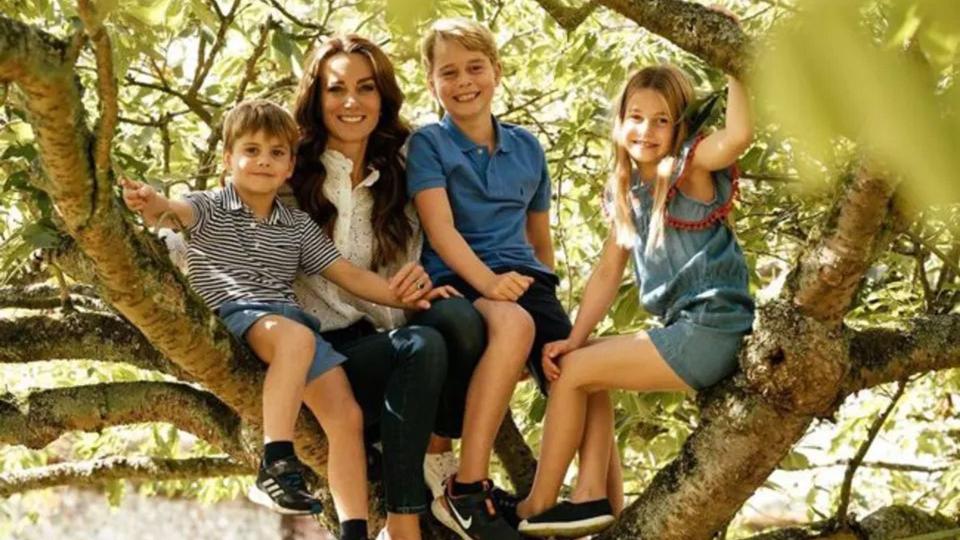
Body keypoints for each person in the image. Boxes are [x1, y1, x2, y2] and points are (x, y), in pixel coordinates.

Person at [122, 99, 445, 540]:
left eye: (276, 153)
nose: (263, 161)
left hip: (290, 328)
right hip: (240, 316)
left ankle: (354, 531)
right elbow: (172, 211)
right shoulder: (211, 206)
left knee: (346, 416)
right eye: (251, 150)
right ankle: (276, 458)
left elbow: (347, 274)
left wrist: (399, 293)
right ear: (228, 159)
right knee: (297, 338)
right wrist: (148, 200)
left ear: (291, 166)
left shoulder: (295, 225)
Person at [514, 56, 755, 538]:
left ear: (679, 125)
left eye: (661, 120)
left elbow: (738, 138)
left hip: (711, 329)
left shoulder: (689, 168)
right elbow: (607, 272)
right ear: (620, 123)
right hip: (682, 329)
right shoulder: (628, 189)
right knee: (581, 363)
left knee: (578, 374)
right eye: (636, 117)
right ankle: (595, 502)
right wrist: (574, 338)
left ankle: (537, 503)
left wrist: (735, 64)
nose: (646, 130)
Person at [406, 18, 622, 540]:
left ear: (497, 72)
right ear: (431, 82)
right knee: (513, 325)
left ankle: (594, 498)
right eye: (448, 72)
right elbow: (441, 230)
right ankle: (467, 487)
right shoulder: (429, 144)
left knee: (582, 364)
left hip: (528, 282)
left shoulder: (527, 147)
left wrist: (546, 295)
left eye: (475, 68)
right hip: (459, 281)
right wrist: (490, 283)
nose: (464, 82)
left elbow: (538, 239)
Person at [286, 34, 488, 540]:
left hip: (404, 342)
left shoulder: (404, 165)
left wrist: (423, 282)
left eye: (366, 88)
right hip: (332, 357)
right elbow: (218, 212)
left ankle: (438, 465)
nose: (352, 102)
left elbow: (463, 225)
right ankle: (403, 523)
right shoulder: (289, 172)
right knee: (420, 346)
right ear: (317, 98)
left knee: (459, 320)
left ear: (384, 97)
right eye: (337, 90)